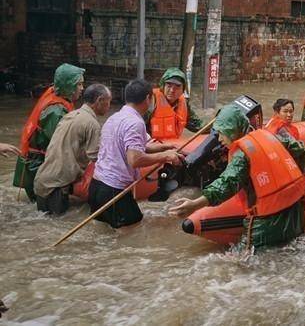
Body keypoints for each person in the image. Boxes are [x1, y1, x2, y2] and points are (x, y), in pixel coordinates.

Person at [169, 104, 305, 249]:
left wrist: (195, 204)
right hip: (295, 211)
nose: (219, 139)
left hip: (268, 220)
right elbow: (298, 148)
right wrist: (302, 175)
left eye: (221, 133)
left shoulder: (242, 154)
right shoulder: (269, 135)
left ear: (232, 130)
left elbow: (227, 183)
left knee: (242, 262)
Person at [89, 79, 184, 228]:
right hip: (113, 190)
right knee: (131, 233)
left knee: (105, 235)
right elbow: (135, 159)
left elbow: (136, 147)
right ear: (148, 98)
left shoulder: (114, 118)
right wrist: (166, 156)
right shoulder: (135, 122)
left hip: (96, 186)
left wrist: (166, 148)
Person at [33, 84, 112, 214]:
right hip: (57, 188)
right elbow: (96, 157)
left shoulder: (70, 115)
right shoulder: (92, 124)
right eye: (109, 102)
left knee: (44, 223)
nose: (109, 106)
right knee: (57, 227)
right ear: (99, 100)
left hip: (42, 180)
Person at [13, 63, 85, 202]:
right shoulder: (55, 111)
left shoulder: (58, 97)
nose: (82, 88)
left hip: (37, 163)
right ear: (68, 85)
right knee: (50, 213)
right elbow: (62, 145)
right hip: (37, 167)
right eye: (79, 84)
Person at [145, 68, 204, 140]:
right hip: (151, 147)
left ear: (183, 90)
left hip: (172, 147)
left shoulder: (184, 103)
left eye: (177, 87)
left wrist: (217, 124)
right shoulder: (151, 100)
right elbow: (137, 126)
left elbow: (197, 126)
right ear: (163, 86)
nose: (172, 90)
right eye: (169, 86)